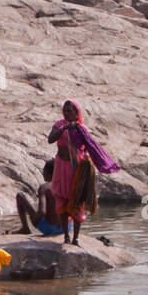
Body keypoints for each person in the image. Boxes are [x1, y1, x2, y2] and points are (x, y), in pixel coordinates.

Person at [47, 100, 120, 246]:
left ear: (76, 113)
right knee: (61, 197)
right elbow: (50, 139)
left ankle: (76, 238)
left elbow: (89, 146)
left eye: (70, 111)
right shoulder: (58, 125)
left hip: (76, 168)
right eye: (65, 111)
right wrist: (64, 129)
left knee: (78, 199)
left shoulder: (81, 128)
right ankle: (66, 237)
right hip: (61, 166)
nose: (67, 113)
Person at [11, 159, 64, 236]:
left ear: (48, 173)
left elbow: (42, 211)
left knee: (20, 196)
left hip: (49, 228)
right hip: (65, 227)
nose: (43, 174)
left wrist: (35, 220)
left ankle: (25, 228)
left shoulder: (44, 188)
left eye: (44, 172)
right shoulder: (64, 185)